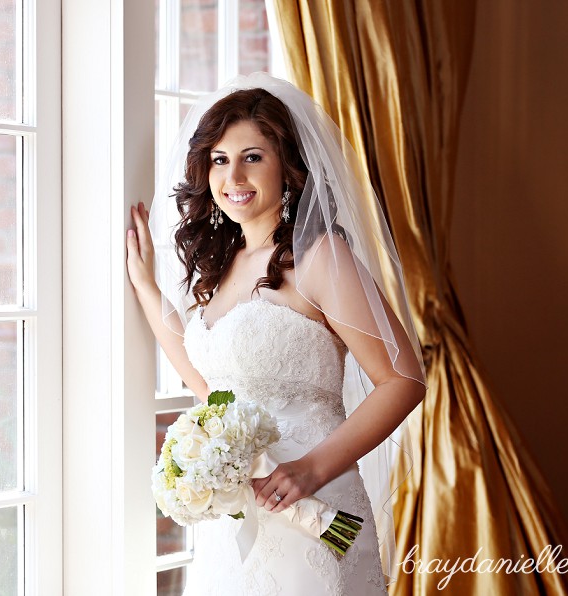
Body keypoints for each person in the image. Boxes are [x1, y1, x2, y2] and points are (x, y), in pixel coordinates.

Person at [126, 73, 426, 595]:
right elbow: (211, 386)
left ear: (286, 168)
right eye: (220, 159)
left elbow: (404, 379)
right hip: (239, 521)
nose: (233, 175)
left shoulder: (320, 258)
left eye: (252, 157)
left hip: (315, 501)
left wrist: (310, 470)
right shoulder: (220, 267)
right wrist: (148, 291)